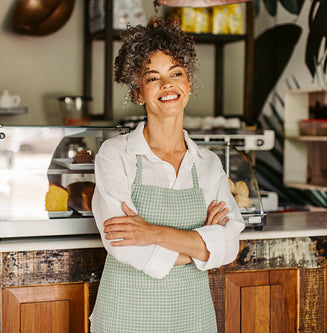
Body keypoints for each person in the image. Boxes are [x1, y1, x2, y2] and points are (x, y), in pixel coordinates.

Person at [90, 17, 245, 333]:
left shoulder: (208, 164)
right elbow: (123, 244)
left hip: (193, 317)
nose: (167, 85)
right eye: (153, 77)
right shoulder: (115, 155)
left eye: (176, 74)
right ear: (138, 92)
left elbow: (229, 246)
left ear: (188, 85)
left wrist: (152, 232)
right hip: (126, 317)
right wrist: (200, 244)